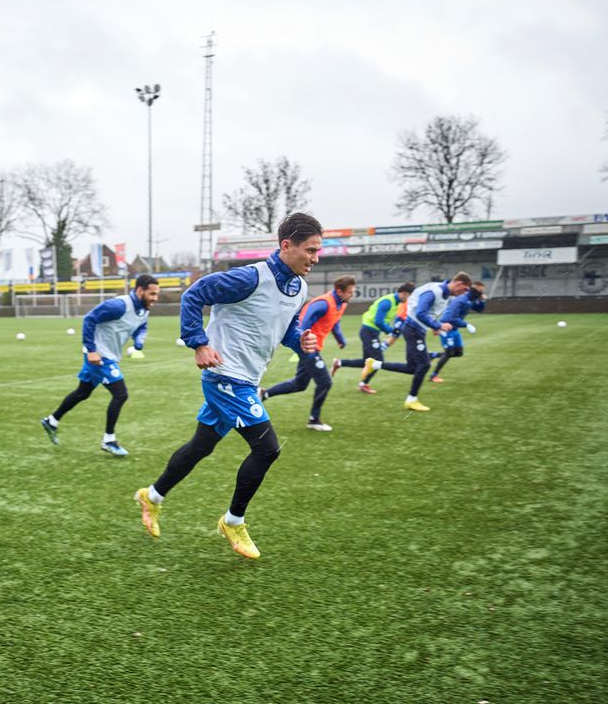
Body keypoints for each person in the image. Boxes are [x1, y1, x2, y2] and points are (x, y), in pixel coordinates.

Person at [134, 212, 322, 560]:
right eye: (310, 250)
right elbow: (195, 294)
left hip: (248, 378)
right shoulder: (250, 278)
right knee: (267, 448)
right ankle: (233, 521)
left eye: (317, 251)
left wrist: (301, 341)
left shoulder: (299, 288)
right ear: (286, 246)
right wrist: (198, 342)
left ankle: (152, 496)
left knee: (200, 446)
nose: (315, 257)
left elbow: (285, 330)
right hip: (225, 376)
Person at [41, 275, 160, 456]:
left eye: (156, 294)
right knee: (120, 394)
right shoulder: (118, 305)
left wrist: (139, 340)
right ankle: (109, 440)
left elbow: (141, 325)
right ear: (140, 290)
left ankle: (52, 421)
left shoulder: (144, 309)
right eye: (152, 294)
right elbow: (89, 319)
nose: (155, 298)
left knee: (83, 392)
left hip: (107, 355)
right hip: (99, 356)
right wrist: (91, 350)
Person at [363, 271, 471, 411]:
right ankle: (411, 400)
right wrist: (438, 325)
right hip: (413, 328)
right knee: (424, 364)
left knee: (412, 368)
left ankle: (375, 364)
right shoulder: (435, 291)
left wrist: (435, 326)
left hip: (417, 329)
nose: (464, 293)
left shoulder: (445, 295)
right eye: (465, 289)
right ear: (459, 283)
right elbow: (420, 312)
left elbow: (429, 313)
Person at [260, 275, 356, 431]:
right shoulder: (323, 303)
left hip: (314, 347)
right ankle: (314, 420)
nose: (352, 295)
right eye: (350, 292)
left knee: (300, 384)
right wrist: (302, 342)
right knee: (325, 382)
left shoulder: (341, 304)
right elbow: (304, 322)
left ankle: (264, 394)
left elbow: (335, 322)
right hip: (308, 347)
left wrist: (340, 339)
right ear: (339, 291)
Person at [338, 282, 415, 395]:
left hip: (371, 332)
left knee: (367, 361)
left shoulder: (396, 302)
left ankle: (339, 363)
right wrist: (391, 331)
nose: (409, 299)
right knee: (378, 361)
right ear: (404, 293)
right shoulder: (387, 302)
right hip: (369, 332)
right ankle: (363, 384)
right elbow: (378, 321)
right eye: (409, 296)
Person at [430, 281, 486, 383]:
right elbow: (452, 318)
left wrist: (482, 301)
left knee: (458, 353)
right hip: (446, 327)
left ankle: (433, 355)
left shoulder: (470, 299)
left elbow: (480, 309)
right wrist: (467, 325)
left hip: (454, 328)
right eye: (480, 291)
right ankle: (434, 376)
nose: (481, 293)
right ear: (475, 290)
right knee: (448, 353)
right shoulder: (461, 300)